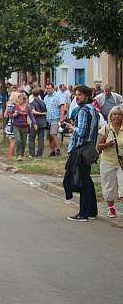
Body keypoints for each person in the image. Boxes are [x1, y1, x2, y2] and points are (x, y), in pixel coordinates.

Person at [64, 86, 99, 221]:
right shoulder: (93, 109)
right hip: (89, 149)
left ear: (86, 96)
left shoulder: (84, 110)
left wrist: (71, 127)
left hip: (81, 149)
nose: (76, 97)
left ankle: (83, 213)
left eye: (79, 95)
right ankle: (92, 211)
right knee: (87, 180)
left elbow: (82, 132)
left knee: (82, 181)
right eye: (76, 95)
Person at [96, 106, 123, 218]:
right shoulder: (105, 129)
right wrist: (107, 144)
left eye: (119, 114)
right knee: (109, 186)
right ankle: (111, 208)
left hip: (121, 163)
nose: (116, 116)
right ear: (110, 116)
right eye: (114, 114)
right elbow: (98, 147)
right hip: (108, 162)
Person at [9, 92, 36, 161]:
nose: (18, 100)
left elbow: (32, 116)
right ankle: (18, 155)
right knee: (18, 140)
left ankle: (21, 154)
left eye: (20, 99)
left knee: (23, 142)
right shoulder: (15, 107)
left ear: (24, 100)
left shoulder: (27, 108)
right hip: (16, 126)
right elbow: (10, 115)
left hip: (25, 126)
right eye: (18, 99)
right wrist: (13, 115)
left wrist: (35, 124)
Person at [43, 83, 65, 156]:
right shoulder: (46, 97)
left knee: (53, 134)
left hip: (55, 118)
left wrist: (61, 118)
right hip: (48, 119)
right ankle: (52, 151)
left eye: (49, 88)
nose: (47, 90)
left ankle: (58, 150)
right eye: (47, 88)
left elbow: (62, 107)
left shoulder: (58, 96)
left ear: (53, 88)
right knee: (49, 136)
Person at [29, 88, 48, 157]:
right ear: (39, 94)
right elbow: (46, 111)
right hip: (43, 122)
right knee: (41, 138)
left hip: (35, 122)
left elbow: (33, 111)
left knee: (31, 137)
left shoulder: (32, 103)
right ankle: (39, 153)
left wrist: (40, 113)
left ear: (32, 95)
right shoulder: (43, 102)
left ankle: (32, 153)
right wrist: (43, 114)